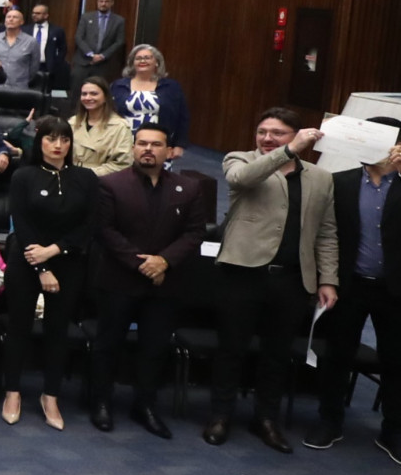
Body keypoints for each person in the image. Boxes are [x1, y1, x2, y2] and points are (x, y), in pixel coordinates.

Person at [208, 108, 340, 452]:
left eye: (278, 133)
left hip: (293, 280)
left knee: (277, 354)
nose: (267, 138)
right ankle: (220, 415)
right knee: (231, 349)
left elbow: (325, 233)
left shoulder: (320, 178)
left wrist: (328, 278)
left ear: (296, 134)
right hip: (242, 273)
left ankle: (265, 418)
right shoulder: (240, 159)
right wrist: (287, 150)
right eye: (262, 131)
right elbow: (241, 180)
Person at [88, 122, 207, 438]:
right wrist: (142, 264)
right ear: (133, 147)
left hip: (165, 283)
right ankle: (100, 401)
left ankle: (146, 405)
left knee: (154, 348)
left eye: (156, 145)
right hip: (118, 279)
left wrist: (164, 261)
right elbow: (104, 231)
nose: (148, 149)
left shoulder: (188, 188)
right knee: (107, 344)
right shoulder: (111, 185)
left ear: (169, 151)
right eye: (142, 143)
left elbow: (195, 232)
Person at [0, 116, 98, 430]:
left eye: (64, 139)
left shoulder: (86, 177)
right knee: (18, 326)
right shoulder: (23, 175)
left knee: (58, 330)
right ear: (39, 141)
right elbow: (22, 223)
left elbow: (89, 224)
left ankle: (50, 395)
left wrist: (53, 251)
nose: (58, 145)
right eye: (51, 139)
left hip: (67, 261)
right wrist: (40, 265)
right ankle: (12, 391)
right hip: (26, 260)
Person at [307, 125, 401, 455]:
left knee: (395, 359)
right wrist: (328, 279)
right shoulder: (341, 182)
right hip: (348, 283)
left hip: (394, 288)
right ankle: (329, 421)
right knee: (337, 355)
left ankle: (392, 431)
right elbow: (326, 234)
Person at [111, 44, 189, 159]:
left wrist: (179, 145)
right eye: (138, 58)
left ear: (157, 62)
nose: (142, 60)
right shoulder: (118, 86)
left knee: (155, 175)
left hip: (157, 144)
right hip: (123, 143)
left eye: (147, 58)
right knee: (122, 175)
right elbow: (108, 113)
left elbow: (183, 118)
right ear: (133, 63)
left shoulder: (171, 87)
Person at [68, 77, 134, 175]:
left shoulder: (120, 126)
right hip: (71, 180)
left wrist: (88, 174)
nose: (88, 98)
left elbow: (123, 163)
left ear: (105, 97)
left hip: (102, 183)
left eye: (94, 94)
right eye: (84, 94)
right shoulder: (72, 122)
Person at [70, 0, 126, 89]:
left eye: (106, 1)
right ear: (97, 2)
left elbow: (119, 41)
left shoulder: (119, 20)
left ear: (112, 3)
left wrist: (103, 56)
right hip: (83, 62)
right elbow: (78, 37)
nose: (103, 4)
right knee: (77, 92)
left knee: (99, 91)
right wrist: (91, 54)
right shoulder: (86, 17)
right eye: (101, 1)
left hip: (103, 65)